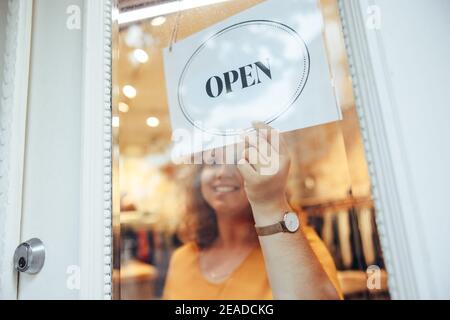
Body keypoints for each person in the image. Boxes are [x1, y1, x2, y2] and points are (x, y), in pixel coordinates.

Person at [163, 122, 342, 299]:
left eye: (239, 162)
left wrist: (270, 202)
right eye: (213, 162)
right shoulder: (182, 259)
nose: (223, 173)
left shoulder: (298, 249)